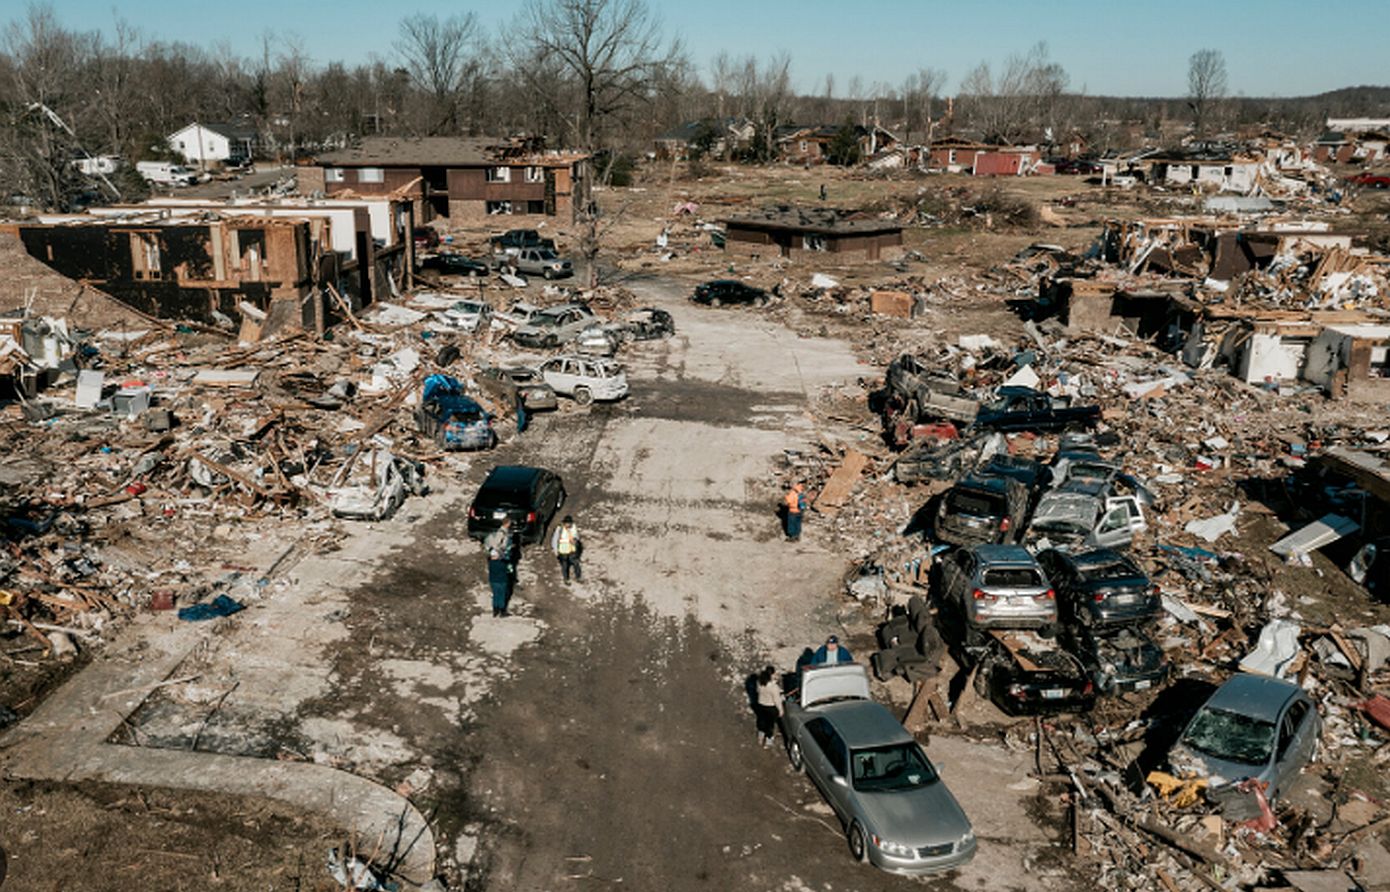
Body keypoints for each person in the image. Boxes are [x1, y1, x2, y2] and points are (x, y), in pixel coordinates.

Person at [484, 518, 514, 617]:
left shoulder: (491, 561)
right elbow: (499, 545)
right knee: (502, 589)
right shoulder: (502, 534)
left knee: (496, 590)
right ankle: (502, 610)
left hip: (494, 572)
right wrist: (503, 553)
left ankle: (495, 610)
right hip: (500, 569)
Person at [753, 665, 783, 748]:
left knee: (761, 721)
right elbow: (777, 700)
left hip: (761, 705)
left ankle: (760, 736)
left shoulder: (759, 682)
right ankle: (768, 741)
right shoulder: (774, 687)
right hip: (771, 708)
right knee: (770, 725)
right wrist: (781, 710)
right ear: (772, 674)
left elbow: (758, 691)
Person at [551, 514, 582, 583]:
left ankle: (578, 577)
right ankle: (566, 579)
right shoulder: (559, 529)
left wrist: (575, 540)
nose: (568, 525)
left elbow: (577, 536)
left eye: (569, 523)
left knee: (576, 564)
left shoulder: (573, 527)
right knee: (565, 566)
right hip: (563, 551)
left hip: (572, 550)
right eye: (567, 523)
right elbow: (555, 540)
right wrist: (556, 551)